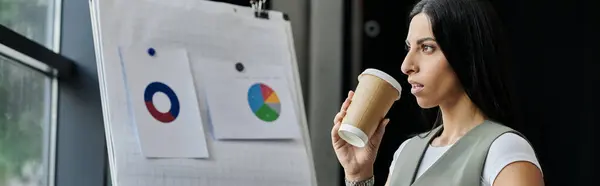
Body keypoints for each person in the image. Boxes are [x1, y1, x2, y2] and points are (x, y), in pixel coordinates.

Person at [331, 0, 545, 185]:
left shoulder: (503, 149)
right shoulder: (406, 151)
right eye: (409, 48)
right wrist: (358, 174)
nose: (407, 65)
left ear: (465, 54)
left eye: (427, 48)